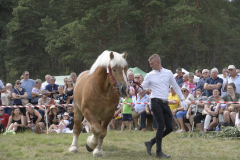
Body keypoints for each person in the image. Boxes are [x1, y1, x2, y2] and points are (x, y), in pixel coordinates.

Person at [140, 54, 188, 158]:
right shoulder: (149, 75)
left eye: (152, 64)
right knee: (161, 126)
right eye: (150, 64)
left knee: (170, 127)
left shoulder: (168, 73)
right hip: (155, 102)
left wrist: (183, 99)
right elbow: (142, 88)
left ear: (158, 63)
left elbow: (175, 86)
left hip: (165, 102)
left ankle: (151, 142)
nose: (151, 66)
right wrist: (133, 89)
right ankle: (158, 152)